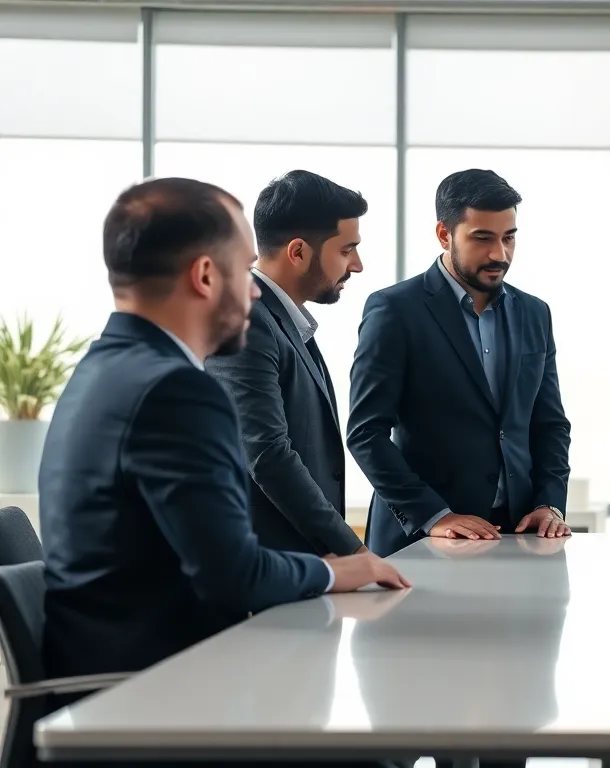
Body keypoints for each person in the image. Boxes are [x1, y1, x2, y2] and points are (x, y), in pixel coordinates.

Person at [41, 177, 408, 699]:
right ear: (207, 275)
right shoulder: (176, 391)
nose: (256, 289)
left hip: (117, 679)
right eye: (245, 269)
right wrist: (336, 571)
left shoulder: (103, 368)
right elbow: (235, 574)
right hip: (160, 693)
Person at [348, 169, 571, 558]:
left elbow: (549, 423)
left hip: (518, 537)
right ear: (444, 234)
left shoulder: (535, 313)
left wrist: (548, 504)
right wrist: (434, 515)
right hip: (421, 540)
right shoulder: (394, 310)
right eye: (482, 238)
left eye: (509, 237)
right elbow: (366, 433)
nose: (499, 254)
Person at [205, 170, 368, 557]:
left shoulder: (281, 320)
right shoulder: (247, 320)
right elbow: (268, 454)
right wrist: (353, 551)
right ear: (298, 252)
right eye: (346, 250)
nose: (358, 265)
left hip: (297, 560)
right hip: (267, 563)